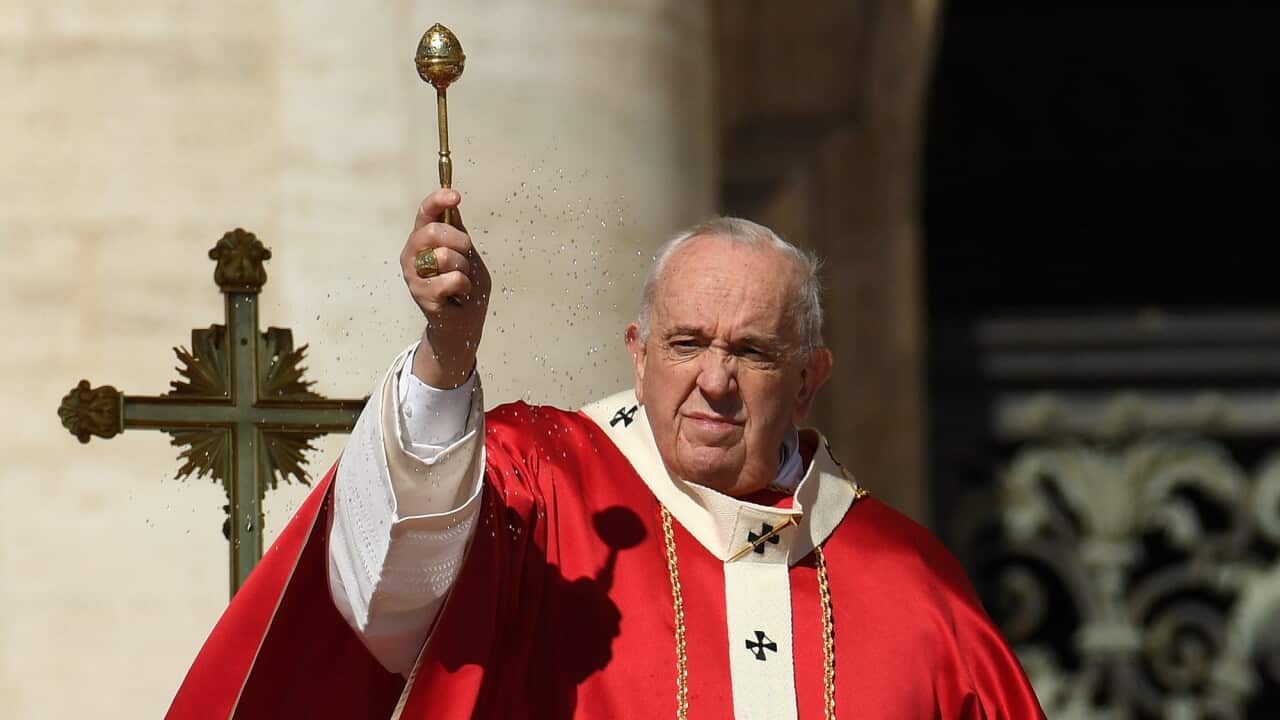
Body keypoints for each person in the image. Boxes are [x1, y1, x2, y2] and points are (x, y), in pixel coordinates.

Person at [167, 190, 1046, 719]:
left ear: (810, 379)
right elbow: (389, 584)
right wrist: (447, 355)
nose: (714, 381)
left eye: (752, 353)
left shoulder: (910, 589)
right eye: (687, 344)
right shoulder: (542, 489)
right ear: (638, 352)